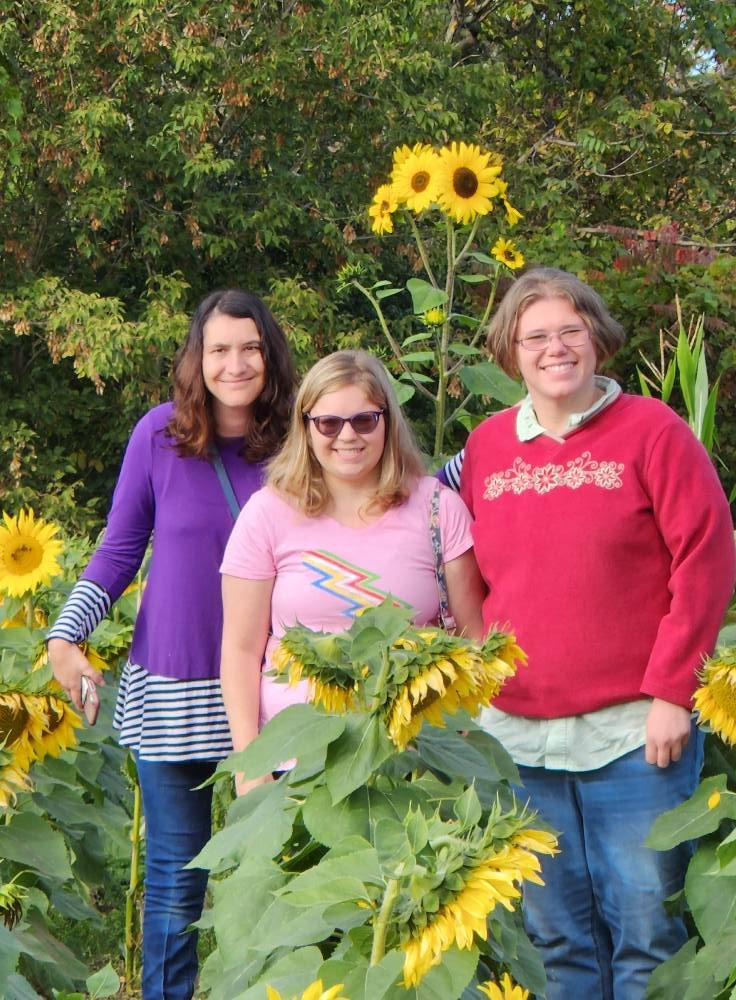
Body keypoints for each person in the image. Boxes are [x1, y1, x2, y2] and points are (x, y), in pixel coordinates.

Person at [442, 267, 735, 999]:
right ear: (511, 352)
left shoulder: (652, 433)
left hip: (635, 733)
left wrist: (675, 691)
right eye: (535, 336)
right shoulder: (485, 449)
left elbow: (705, 557)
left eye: (569, 330)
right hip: (518, 736)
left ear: (596, 337)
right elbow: (448, 552)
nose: (554, 348)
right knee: (556, 940)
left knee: (646, 932)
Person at [47, 289, 296, 1000]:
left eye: (250, 347)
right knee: (175, 881)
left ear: (270, 356)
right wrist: (67, 634)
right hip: (176, 684)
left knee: (277, 873)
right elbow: (119, 551)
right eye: (219, 349)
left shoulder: (299, 442)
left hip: (273, 691)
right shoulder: (159, 436)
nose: (235, 362)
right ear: (197, 359)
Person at [219, 349, 486, 794]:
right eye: (328, 423)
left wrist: (460, 736)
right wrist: (250, 763)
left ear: (387, 421)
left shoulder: (437, 509)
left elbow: (471, 635)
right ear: (306, 428)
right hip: (295, 761)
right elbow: (241, 651)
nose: (347, 436)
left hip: (413, 761)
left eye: (364, 421)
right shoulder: (267, 513)